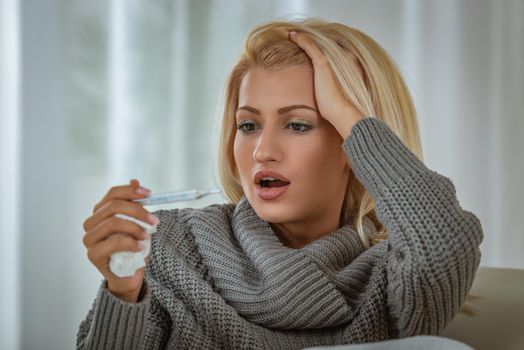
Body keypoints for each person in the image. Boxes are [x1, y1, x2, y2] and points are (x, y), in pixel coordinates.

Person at [77, 18, 483, 349]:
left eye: (298, 124)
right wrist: (123, 293)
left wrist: (346, 110)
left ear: (356, 144)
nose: (262, 151)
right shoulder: (170, 245)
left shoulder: (393, 279)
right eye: (248, 125)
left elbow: (445, 242)